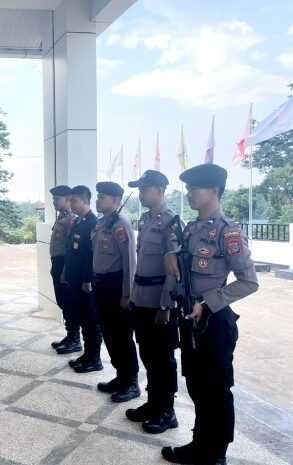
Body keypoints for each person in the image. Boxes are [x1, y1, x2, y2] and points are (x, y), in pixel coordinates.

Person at [161, 164, 258, 465]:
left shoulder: (227, 232)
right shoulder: (191, 228)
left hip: (214, 322)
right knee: (197, 386)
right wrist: (170, 255)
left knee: (216, 390)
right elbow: (182, 259)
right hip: (190, 320)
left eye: (194, 188)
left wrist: (208, 301)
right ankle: (199, 444)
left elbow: (249, 282)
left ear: (213, 191)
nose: (188, 194)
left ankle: (216, 453)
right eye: (188, 189)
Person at [126, 170, 179, 434]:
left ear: (159, 191)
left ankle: (167, 411)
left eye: (145, 189)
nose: (140, 194)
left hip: (159, 302)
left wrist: (166, 305)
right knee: (147, 353)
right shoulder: (146, 219)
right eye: (140, 189)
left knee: (163, 359)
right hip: (142, 299)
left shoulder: (171, 222)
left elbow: (174, 268)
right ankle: (153, 403)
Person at [92, 181, 140, 403]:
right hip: (102, 284)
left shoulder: (121, 225)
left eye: (102, 196)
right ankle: (120, 376)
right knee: (109, 333)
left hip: (116, 284)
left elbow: (130, 260)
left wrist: (127, 293)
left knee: (121, 335)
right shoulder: (103, 223)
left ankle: (131, 382)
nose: (98, 200)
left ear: (115, 200)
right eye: (98, 196)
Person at [60, 186, 103, 373]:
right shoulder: (78, 221)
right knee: (81, 318)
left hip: (85, 283)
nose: (71, 204)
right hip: (74, 279)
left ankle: (95, 358)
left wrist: (87, 279)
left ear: (85, 200)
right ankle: (87, 354)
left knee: (91, 320)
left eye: (74, 201)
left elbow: (91, 256)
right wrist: (65, 272)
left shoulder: (93, 223)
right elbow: (71, 252)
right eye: (70, 201)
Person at [48, 185, 77, 351]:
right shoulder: (61, 218)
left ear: (67, 200)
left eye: (57, 199)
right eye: (53, 199)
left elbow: (70, 248)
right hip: (57, 263)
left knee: (68, 301)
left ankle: (75, 340)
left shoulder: (70, 219)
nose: (54, 202)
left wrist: (65, 270)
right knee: (62, 301)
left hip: (65, 264)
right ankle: (70, 335)